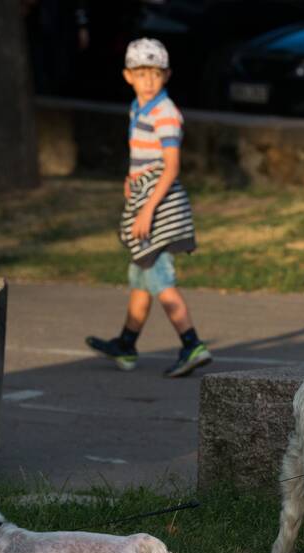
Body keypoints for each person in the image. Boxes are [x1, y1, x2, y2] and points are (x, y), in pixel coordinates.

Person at [86, 38, 212, 378]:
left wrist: (146, 210)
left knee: (159, 277)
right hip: (144, 198)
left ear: (166, 75)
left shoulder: (165, 113)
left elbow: (170, 166)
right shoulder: (138, 107)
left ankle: (191, 344)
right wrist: (131, 181)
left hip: (160, 208)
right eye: (141, 73)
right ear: (128, 76)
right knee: (140, 276)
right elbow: (143, 157)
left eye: (155, 73)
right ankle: (126, 344)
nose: (148, 80)